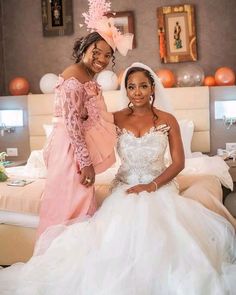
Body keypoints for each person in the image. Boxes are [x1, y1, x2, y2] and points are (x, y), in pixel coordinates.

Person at [1, 62, 235, 294]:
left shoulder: (168, 120)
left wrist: (152, 185)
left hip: (159, 185)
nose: (137, 92)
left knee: (155, 218)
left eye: (143, 86)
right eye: (131, 87)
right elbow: (79, 130)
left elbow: (178, 163)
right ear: (126, 90)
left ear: (153, 88)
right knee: (120, 221)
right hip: (124, 185)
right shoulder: (114, 119)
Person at [37, 0, 133, 237]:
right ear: (84, 50)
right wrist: (86, 163)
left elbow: (89, 115)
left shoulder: (86, 76)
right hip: (69, 150)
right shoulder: (73, 78)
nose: (101, 58)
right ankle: (61, 257)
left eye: (107, 55)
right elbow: (72, 125)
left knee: (78, 203)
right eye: (96, 52)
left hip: (73, 149)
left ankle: (77, 258)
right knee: (71, 205)